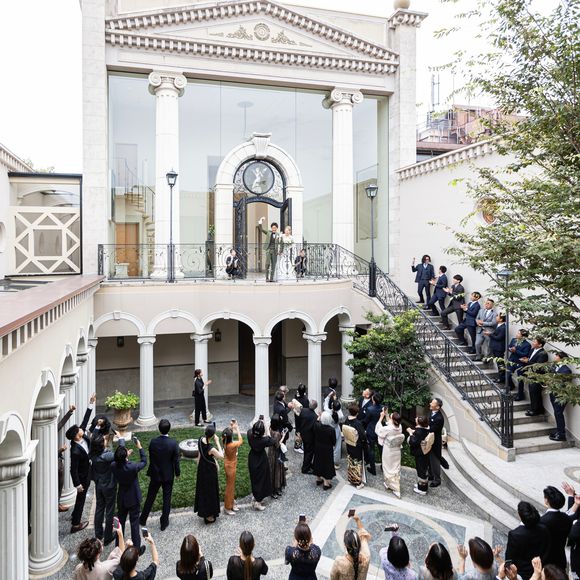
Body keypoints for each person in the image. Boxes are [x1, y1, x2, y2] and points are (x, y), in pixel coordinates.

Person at [140, 419, 181, 531]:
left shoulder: (153, 442)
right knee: (166, 499)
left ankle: (142, 519)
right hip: (168, 475)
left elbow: (152, 457)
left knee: (150, 497)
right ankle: (164, 523)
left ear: (159, 429)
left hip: (155, 474)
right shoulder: (173, 443)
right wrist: (177, 473)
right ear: (169, 429)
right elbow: (176, 461)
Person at [66, 394, 97, 533]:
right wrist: (77, 485)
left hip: (89, 469)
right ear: (76, 435)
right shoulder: (75, 451)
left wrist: (91, 403)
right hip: (83, 476)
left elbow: (85, 419)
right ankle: (75, 524)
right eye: (79, 429)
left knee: (81, 498)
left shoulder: (82, 435)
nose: (81, 428)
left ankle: (74, 515)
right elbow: (73, 469)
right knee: (81, 498)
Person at [111, 436, 147, 550]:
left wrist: (125, 456)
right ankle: (136, 549)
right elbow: (144, 461)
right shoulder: (132, 467)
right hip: (133, 498)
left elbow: (119, 460)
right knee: (134, 524)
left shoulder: (113, 465)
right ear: (125, 457)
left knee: (120, 524)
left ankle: (118, 548)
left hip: (122, 497)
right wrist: (140, 447)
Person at [505, 501, 551, 580]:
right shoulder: (544, 529)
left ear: (520, 515)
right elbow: (547, 550)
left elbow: (509, 558)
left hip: (522, 574)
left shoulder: (515, 534)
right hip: (540, 570)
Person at [90, 433, 117, 546]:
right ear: (101, 445)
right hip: (109, 486)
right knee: (109, 511)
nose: (105, 440)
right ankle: (108, 537)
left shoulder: (92, 454)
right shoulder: (107, 456)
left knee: (99, 509)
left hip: (99, 484)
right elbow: (119, 455)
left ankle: (98, 534)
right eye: (103, 440)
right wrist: (121, 440)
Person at [194, 424, 223, 524]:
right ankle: (209, 514)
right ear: (213, 435)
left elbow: (199, 454)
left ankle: (204, 512)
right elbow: (221, 456)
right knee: (210, 492)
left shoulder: (200, 439)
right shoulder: (211, 448)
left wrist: (198, 465)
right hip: (209, 471)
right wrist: (217, 441)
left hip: (202, 468)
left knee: (203, 491)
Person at [539, 486, 572, 572]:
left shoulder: (541, 521)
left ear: (546, 500)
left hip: (545, 563)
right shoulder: (567, 519)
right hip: (560, 559)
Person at [330, 514, 371, 580]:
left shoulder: (339, 562)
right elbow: (364, 537)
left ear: (345, 545)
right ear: (359, 543)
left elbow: (333, 578)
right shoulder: (366, 557)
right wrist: (358, 520)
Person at [375, 409, 404, 498]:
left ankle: (394, 487)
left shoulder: (388, 428)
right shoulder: (399, 426)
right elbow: (390, 423)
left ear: (392, 420)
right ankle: (389, 483)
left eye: (390, 418)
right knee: (395, 467)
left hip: (388, 450)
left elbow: (378, 431)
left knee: (387, 467)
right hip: (397, 450)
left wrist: (381, 418)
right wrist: (387, 415)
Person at [247, 419, 275, 511]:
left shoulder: (249, 435)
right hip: (261, 460)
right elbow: (272, 440)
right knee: (261, 480)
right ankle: (258, 502)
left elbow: (251, 430)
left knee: (254, 479)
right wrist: (266, 427)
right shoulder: (264, 440)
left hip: (252, 458)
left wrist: (258, 424)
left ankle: (255, 496)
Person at [520, 337, 549, 416]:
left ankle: (535, 410)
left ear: (540, 345)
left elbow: (538, 366)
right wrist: (526, 359)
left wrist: (527, 362)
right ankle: (538, 409)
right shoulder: (532, 349)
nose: (533, 342)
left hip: (537, 376)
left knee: (535, 393)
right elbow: (530, 359)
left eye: (535, 342)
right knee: (533, 393)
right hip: (530, 374)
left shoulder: (543, 353)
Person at [342, 403, 367, 489]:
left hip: (349, 444)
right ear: (357, 413)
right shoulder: (357, 423)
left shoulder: (347, 420)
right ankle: (357, 482)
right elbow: (363, 436)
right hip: (357, 446)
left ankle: (350, 478)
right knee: (357, 463)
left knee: (350, 461)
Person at [549, 352, 572, 441]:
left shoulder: (566, 370)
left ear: (561, 358)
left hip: (560, 396)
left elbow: (564, 385)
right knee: (557, 413)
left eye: (557, 356)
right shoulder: (554, 367)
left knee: (558, 413)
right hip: (553, 394)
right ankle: (559, 431)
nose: (555, 357)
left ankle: (562, 435)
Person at [222, 419, 244, 515]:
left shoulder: (224, 440)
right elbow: (241, 440)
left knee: (231, 485)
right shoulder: (232, 445)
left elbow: (227, 434)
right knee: (230, 487)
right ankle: (227, 507)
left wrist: (231, 426)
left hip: (228, 464)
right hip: (231, 467)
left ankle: (232, 503)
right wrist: (237, 428)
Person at [57, 403, 76, 512]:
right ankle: (56, 504)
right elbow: (44, 454)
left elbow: (60, 425)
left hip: (58, 461)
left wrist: (70, 412)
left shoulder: (49, 428)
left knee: (60, 483)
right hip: (52, 462)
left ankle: (57, 503)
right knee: (57, 483)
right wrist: (60, 450)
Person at [407, 416, 431, 496]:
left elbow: (413, 442)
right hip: (424, 452)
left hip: (420, 453)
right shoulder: (426, 429)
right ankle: (421, 484)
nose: (415, 419)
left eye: (416, 419)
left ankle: (422, 489)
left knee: (421, 470)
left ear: (419, 423)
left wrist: (410, 433)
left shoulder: (419, 432)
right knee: (422, 469)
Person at [313, 412, 336, 490]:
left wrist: (319, 416)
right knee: (327, 464)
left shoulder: (317, 426)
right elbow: (334, 441)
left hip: (318, 447)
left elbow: (316, 421)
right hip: (327, 449)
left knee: (318, 462)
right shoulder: (331, 430)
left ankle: (318, 479)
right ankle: (326, 483)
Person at [267, 414, 287, 499]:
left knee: (272, 470)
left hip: (270, 452)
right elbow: (278, 445)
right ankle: (274, 490)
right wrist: (283, 436)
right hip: (276, 453)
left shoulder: (270, 428)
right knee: (277, 470)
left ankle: (273, 489)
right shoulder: (277, 434)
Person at [362, 392, 382, 476]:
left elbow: (366, 420)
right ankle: (383, 466)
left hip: (371, 431)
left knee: (371, 450)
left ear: (373, 400)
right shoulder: (383, 408)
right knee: (381, 449)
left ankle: (373, 469)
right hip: (380, 430)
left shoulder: (370, 409)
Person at [508, 329, 532, 398]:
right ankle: (511, 386)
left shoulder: (527, 345)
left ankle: (520, 394)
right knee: (508, 374)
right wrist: (510, 349)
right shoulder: (513, 340)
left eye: (519, 334)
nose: (517, 334)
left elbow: (525, 354)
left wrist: (515, 351)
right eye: (517, 333)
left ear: (523, 336)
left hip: (520, 363)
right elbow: (509, 346)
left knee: (520, 380)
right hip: (512, 361)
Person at [323, 390, 344, 467]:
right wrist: (336, 400)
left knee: (328, 445)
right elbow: (338, 409)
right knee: (337, 447)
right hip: (336, 430)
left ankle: (327, 460)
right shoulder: (340, 415)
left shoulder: (328, 412)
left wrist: (329, 396)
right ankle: (336, 462)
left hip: (328, 429)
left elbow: (325, 403)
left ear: (332, 406)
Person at [428, 398, 444, 488]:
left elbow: (432, 429)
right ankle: (430, 475)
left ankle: (437, 480)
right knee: (429, 459)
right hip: (430, 440)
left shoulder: (439, 418)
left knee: (435, 461)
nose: (430, 403)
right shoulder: (432, 412)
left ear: (437, 407)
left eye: (432, 403)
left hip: (435, 442)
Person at [485, 314, 507, 384]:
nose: (496, 317)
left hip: (499, 348)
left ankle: (502, 378)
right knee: (498, 363)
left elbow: (499, 338)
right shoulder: (498, 325)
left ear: (501, 319)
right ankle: (500, 377)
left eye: (497, 317)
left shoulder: (503, 327)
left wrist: (490, 334)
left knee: (500, 364)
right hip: (495, 347)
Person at [258, 218, 281, 282]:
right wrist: (260, 222)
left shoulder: (278, 235)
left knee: (273, 265)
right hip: (268, 250)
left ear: (277, 228)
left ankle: (271, 278)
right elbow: (261, 229)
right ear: (271, 228)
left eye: (275, 228)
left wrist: (280, 251)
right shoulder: (268, 232)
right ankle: (266, 278)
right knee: (267, 264)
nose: (274, 229)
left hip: (275, 251)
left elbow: (281, 243)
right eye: (273, 228)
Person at [300, 400, 318, 475]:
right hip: (310, 437)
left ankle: (307, 464)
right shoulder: (315, 416)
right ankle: (305, 469)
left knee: (306, 451)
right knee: (309, 453)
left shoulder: (303, 410)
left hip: (303, 434)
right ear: (315, 407)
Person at [294, 383, 309, 454]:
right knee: (300, 432)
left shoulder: (296, 397)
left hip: (297, 416)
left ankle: (298, 445)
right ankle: (297, 447)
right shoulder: (305, 400)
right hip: (302, 418)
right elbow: (307, 409)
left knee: (298, 430)